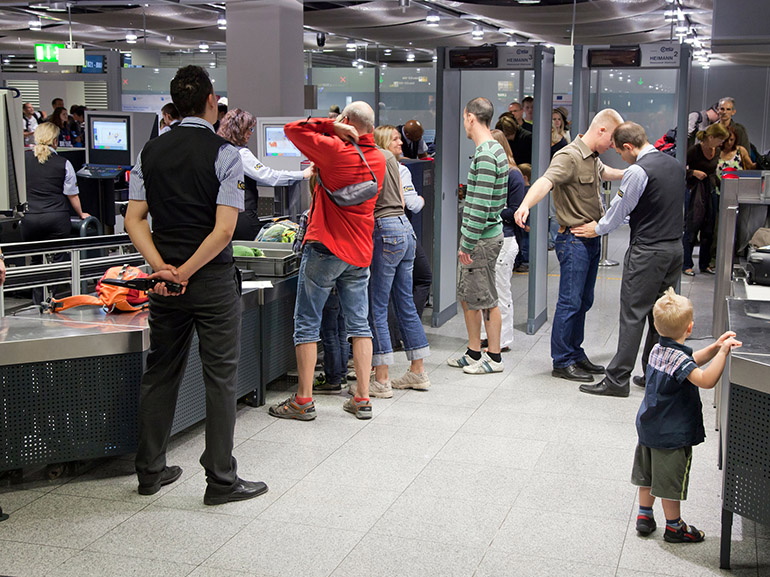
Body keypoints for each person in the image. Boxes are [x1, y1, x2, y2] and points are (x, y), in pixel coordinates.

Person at [125, 65, 268, 506]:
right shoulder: (225, 154)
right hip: (209, 283)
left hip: (165, 282)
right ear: (211, 100)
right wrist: (186, 271)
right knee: (220, 378)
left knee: (160, 373)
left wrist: (164, 269)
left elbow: (134, 218)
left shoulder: (149, 152)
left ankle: (150, 471)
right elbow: (224, 231)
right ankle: (220, 480)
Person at [268, 102, 387, 421]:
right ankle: (362, 397)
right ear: (371, 129)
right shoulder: (378, 158)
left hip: (325, 248)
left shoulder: (333, 150)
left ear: (345, 121)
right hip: (360, 253)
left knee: (307, 321)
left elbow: (292, 129)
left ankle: (303, 401)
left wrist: (330, 126)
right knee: (359, 324)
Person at [572, 122, 686, 397]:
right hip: (674, 249)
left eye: (620, 152)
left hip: (648, 251)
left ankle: (617, 380)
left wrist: (597, 228)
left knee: (633, 315)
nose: (621, 159)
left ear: (628, 147)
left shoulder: (638, 170)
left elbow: (621, 207)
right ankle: (653, 373)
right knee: (661, 316)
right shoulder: (674, 164)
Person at [515, 109, 626, 383]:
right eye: (612, 139)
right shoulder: (569, 156)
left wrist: (631, 172)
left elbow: (606, 172)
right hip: (573, 241)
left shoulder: (592, 158)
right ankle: (562, 360)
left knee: (584, 301)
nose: (613, 145)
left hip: (590, 239)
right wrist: (525, 205)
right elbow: (545, 181)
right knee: (570, 302)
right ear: (601, 130)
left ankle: (576, 353)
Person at [631, 288, 741, 543]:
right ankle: (674, 527)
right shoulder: (677, 357)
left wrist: (713, 347)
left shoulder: (659, 350)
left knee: (646, 474)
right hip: (671, 433)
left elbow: (689, 362)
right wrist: (723, 353)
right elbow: (705, 379)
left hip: (649, 428)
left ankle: (644, 516)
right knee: (670, 481)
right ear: (689, 328)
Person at [358, 126, 432, 398]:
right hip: (405, 230)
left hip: (384, 231)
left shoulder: (368, 158)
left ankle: (382, 378)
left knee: (376, 305)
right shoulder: (391, 160)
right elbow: (403, 200)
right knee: (405, 304)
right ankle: (418, 371)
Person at [448, 97, 509, 375]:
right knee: (470, 296)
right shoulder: (493, 149)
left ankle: (493, 357)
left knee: (485, 298)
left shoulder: (485, 155)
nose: (464, 123)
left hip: (481, 239)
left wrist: (468, 243)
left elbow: (482, 205)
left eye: (464, 118)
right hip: (481, 236)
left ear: (470, 117)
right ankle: (474, 352)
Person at [216, 108, 312, 241]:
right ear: (238, 130)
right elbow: (268, 176)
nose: (250, 133)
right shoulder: (240, 154)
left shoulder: (222, 149)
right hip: (243, 218)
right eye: (248, 129)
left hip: (225, 216)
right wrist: (303, 174)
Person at [22, 122, 89, 304]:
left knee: (36, 260)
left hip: (30, 218)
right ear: (54, 141)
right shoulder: (64, 163)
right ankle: (53, 298)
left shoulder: (23, 160)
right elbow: (72, 194)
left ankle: (38, 301)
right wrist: (82, 213)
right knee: (58, 260)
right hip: (56, 218)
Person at [376, 124, 432, 320]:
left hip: (376, 232)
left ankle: (393, 335)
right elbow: (413, 204)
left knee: (384, 290)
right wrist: (423, 199)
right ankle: (404, 329)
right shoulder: (401, 170)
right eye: (395, 139)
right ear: (384, 143)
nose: (401, 142)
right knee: (423, 278)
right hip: (399, 230)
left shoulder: (371, 166)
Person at [479, 129, 524, 353]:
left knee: (501, 291)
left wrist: (491, 210)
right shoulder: (489, 173)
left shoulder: (512, 175)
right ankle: (487, 335)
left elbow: (516, 212)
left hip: (504, 240)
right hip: (487, 240)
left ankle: (503, 338)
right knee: (486, 292)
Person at [682, 123, 728, 276]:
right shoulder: (694, 150)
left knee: (709, 228)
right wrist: (693, 172)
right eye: (719, 139)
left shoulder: (717, 151)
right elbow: (681, 168)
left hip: (710, 189)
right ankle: (687, 264)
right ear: (711, 137)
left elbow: (713, 171)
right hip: (695, 190)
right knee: (691, 226)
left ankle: (705, 263)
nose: (721, 143)